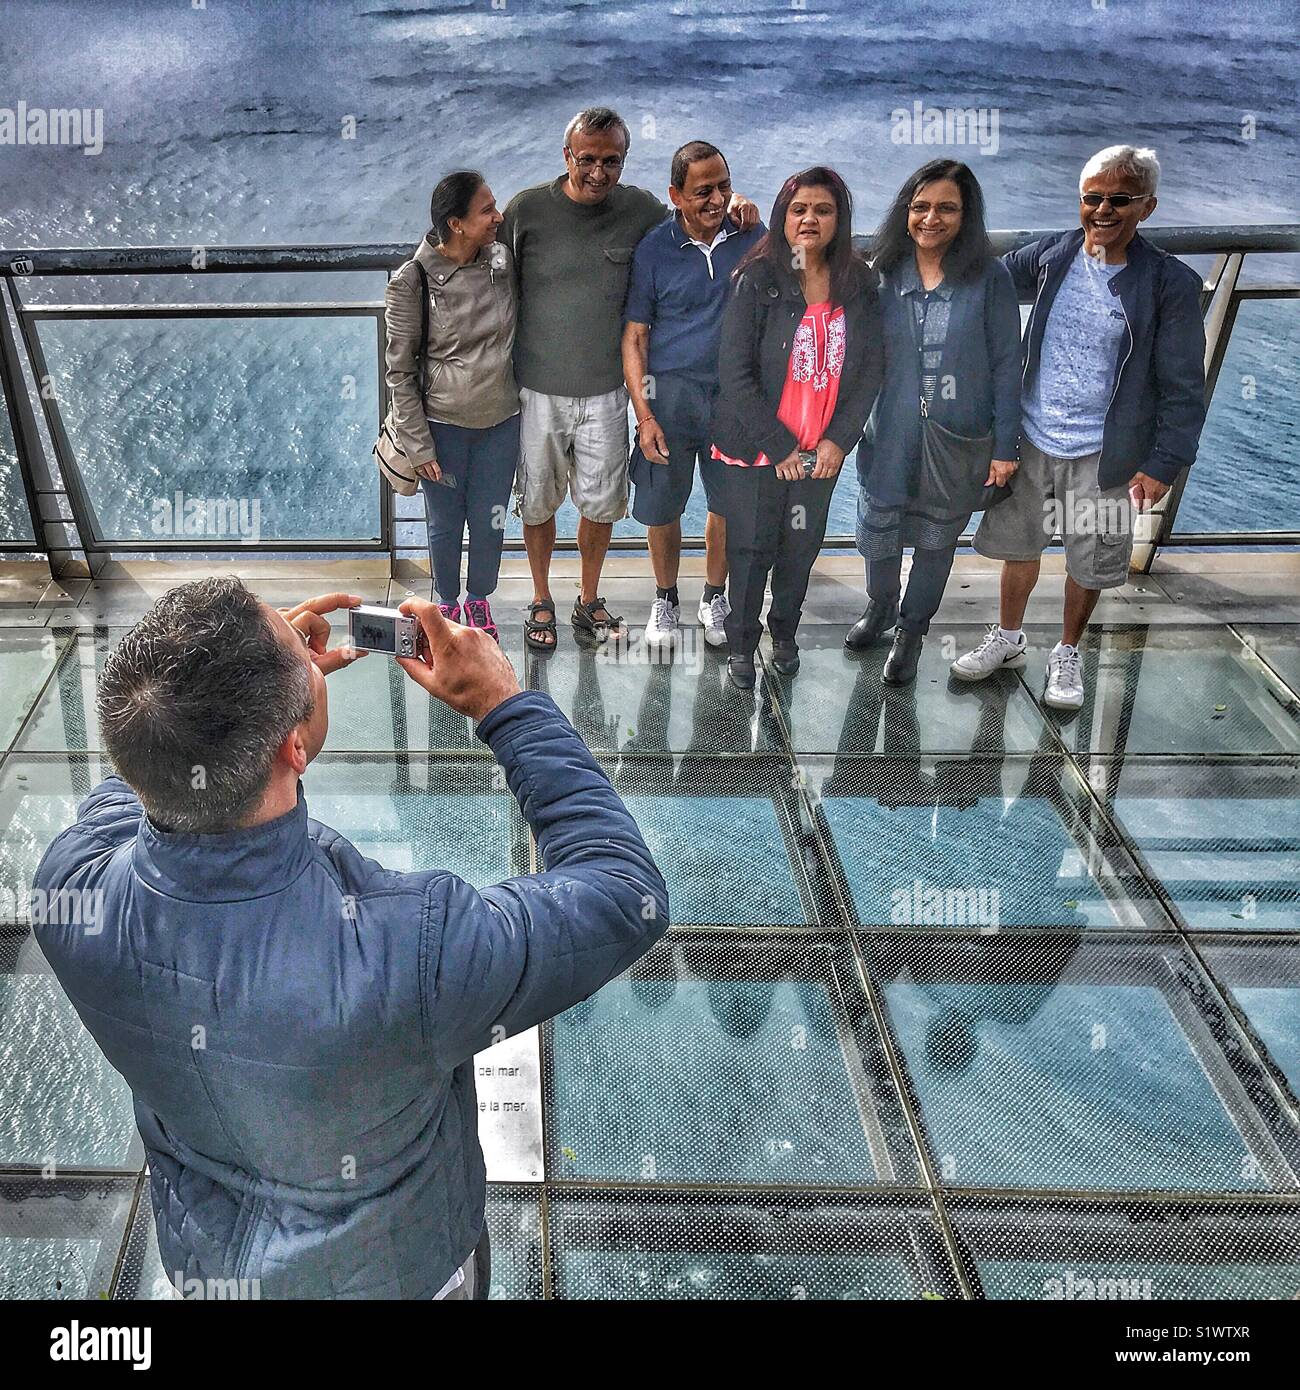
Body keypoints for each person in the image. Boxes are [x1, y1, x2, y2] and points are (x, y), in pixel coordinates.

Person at [32, 578, 668, 1299]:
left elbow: (151, 774)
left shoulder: (69, 889)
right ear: (295, 744)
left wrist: (258, 703)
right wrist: (504, 705)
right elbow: (623, 893)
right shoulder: (414, 950)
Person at [952, 145, 1206, 708]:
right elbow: (978, 275)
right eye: (1093, 197)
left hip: (1107, 452)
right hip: (1032, 436)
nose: (1104, 210)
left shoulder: (1170, 284)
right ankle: (1009, 638)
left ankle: (1067, 653)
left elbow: (1186, 387)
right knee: (1020, 547)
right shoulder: (1052, 255)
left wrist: (1163, 462)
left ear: (1148, 207)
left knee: (1090, 560)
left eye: (1121, 199)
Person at [498, 107, 756, 653]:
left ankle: (589, 598)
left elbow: (694, 215)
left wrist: (733, 205)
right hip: (538, 386)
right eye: (586, 158)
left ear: (624, 160)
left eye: (610, 160)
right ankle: (541, 598)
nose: (598, 170)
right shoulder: (526, 211)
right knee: (538, 502)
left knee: (600, 504)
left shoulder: (641, 210)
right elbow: (492, 276)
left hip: (610, 391)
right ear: (566, 155)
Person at [846, 159, 1020, 685]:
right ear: (905, 211)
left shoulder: (989, 277)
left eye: (947, 208)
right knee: (879, 527)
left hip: (959, 435)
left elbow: (1008, 363)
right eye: (920, 207)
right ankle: (879, 609)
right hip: (890, 429)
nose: (931, 218)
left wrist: (1005, 445)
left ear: (966, 216)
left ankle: (911, 632)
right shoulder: (881, 272)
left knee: (936, 539)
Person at [711, 166, 884, 690]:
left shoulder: (859, 281)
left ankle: (783, 633)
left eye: (823, 210)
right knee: (749, 549)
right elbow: (734, 373)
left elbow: (872, 367)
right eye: (799, 208)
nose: (809, 219)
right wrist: (780, 445)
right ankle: (741, 643)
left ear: (840, 218)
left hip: (820, 455)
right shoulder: (756, 279)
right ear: (782, 215)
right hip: (757, 449)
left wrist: (838, 440)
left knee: (800, 548)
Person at [621, 141, 765, 649]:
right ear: (675, 195)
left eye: (724, 186)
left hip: (732, 400)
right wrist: (644, 415)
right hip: (669, 400)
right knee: (662, 506)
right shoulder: (654, 249)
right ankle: (665, 598)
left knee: (726, 502)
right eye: (703, 191)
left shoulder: (751, 236)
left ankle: (713, 595)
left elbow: (795, 276)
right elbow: (635, 336)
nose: (717, 199)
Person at [384, 171, 520, 641]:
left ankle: (479, 601)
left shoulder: (501, 258)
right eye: (486, 211)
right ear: (456, 224)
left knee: (491, 519)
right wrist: (419, 447)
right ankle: (445, 603)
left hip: (503, 419)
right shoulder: (413, 280)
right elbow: (400, 372)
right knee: (445, 524)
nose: (498, 217)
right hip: (443, 427)